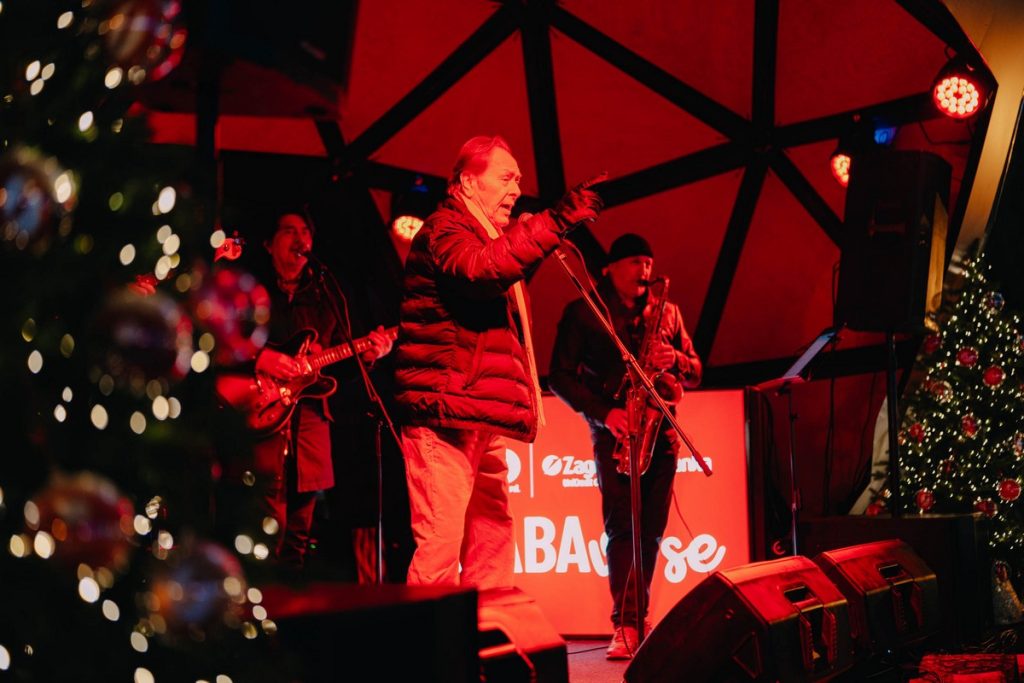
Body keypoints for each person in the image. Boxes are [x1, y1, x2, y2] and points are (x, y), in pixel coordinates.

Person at [393, 135, 604, 590]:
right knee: (440, 549)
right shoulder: (444, 229)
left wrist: (541, 234)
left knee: (492, 538)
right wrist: (552, 222)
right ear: (468, 182)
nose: (516, 189)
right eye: (506, 178)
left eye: (519, 180)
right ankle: (424, 639)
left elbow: (497, 268)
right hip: (445, 413)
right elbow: (481, 270)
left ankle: (488, 632)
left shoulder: (481, 236)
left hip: (475, 411)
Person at [548, 233, 702, 659]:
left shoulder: (667, 312)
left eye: (648, 262)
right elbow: (558, 376)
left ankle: (637, 617)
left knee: (650, 530)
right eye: (635, 262)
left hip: (661, 431)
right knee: (621, 527)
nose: (644, 270)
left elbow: (695, 370)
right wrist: (604, 413)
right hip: (615, 431)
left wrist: (678, 361)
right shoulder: (585, 312)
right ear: (610, 268)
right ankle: (626, 622)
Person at [250, 210, 393, 569]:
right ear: (268, 244)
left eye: (305, 232)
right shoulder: (254, 290)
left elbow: (339, 367)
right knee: (266, 515)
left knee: (301, 525)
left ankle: (292, 591)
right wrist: (263, 357)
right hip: (260, 408)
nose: (300, 239)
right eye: (289, 231)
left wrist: (368, 356)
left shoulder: (325, 292)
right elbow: (226, 340)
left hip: (311, 417)